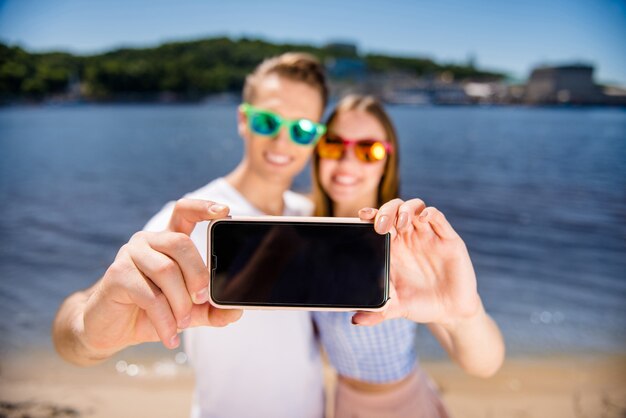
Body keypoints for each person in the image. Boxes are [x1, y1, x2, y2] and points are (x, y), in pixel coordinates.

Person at [53, 53, 449, 418]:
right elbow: (76, 320)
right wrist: (92, 333)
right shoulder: (192, 219)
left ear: (315, 139)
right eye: (267, 122)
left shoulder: (312, 219)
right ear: (243, 119)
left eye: (303, 129)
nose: (282, 141)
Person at [310, 95, 505, 417]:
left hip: (407, 404)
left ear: (388, 159)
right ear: (318, 150)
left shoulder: (406, 240)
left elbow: (485, 365)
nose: (347, 162)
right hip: (342, 403)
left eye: (367, 150)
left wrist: (464, 315)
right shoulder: (299, 229)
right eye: (333, 145)